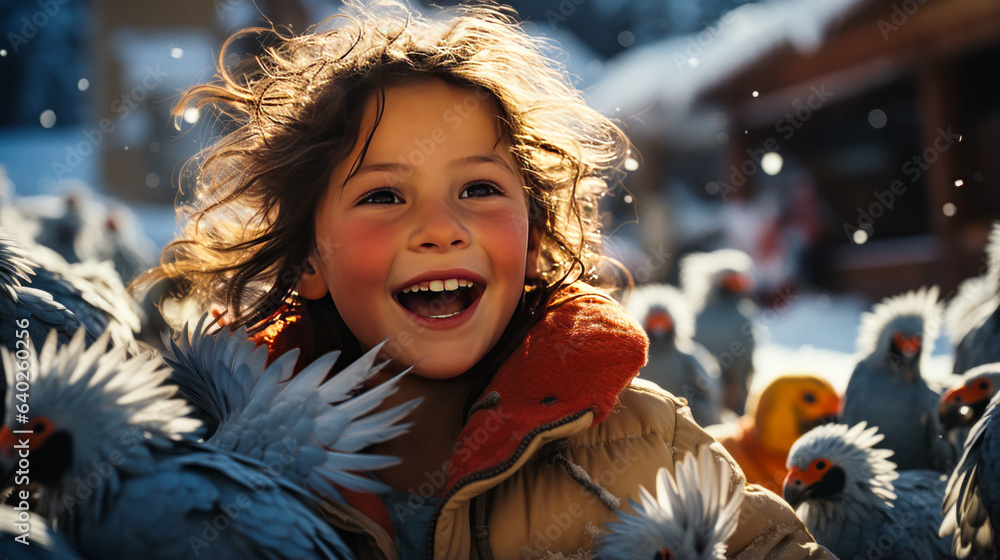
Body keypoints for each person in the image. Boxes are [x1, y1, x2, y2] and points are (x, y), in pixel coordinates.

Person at [133, 2, 834, 558]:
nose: (441, 227)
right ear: (311, 261)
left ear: (531, 242)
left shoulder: (645, 445)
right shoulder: (213, 471)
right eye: (383, 196)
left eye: (477, 189)